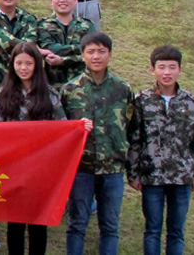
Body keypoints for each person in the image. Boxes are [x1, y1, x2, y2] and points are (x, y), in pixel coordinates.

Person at [60, 32, 136, 255]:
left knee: (110, 228)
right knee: (77, 225)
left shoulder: (123, 90)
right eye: (91, 51)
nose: (96, 56)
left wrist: (131, 167)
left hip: (113, 169)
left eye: (102, 51)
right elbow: (62, 131)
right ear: (83, 55)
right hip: (81, 169)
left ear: (110, 55)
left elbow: (132, 128)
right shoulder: (70, 90)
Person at [129, 45, 194, 255]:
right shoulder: (141, 101)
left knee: (176, 232)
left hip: (182, 177)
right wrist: (134, 174)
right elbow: (134, 139)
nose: (167, 72)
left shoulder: (192, 102)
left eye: (172, 67)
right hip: (151, 177)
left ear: (180, 70)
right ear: (153, 70)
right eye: (162, 67)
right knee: (152, 230)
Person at [0, 41, 66, 255]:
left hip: (41, 170)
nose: (23, 68)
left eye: (29, 63)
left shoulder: (50, 95)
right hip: (12, 168)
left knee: (38, 222)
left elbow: (63, 129)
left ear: (37, 66)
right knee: (15, 222)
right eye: (19, 63)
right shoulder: (2, 95)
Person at [38, 0, 97, 86]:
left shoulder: (87, 25)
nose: (62, 0)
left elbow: (92, 53)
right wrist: (80, 48)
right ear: (52, 0)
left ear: (75, 0)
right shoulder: (42, 25)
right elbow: (48, 48)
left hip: (82, 87)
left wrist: (63, 60)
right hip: (52, 86)